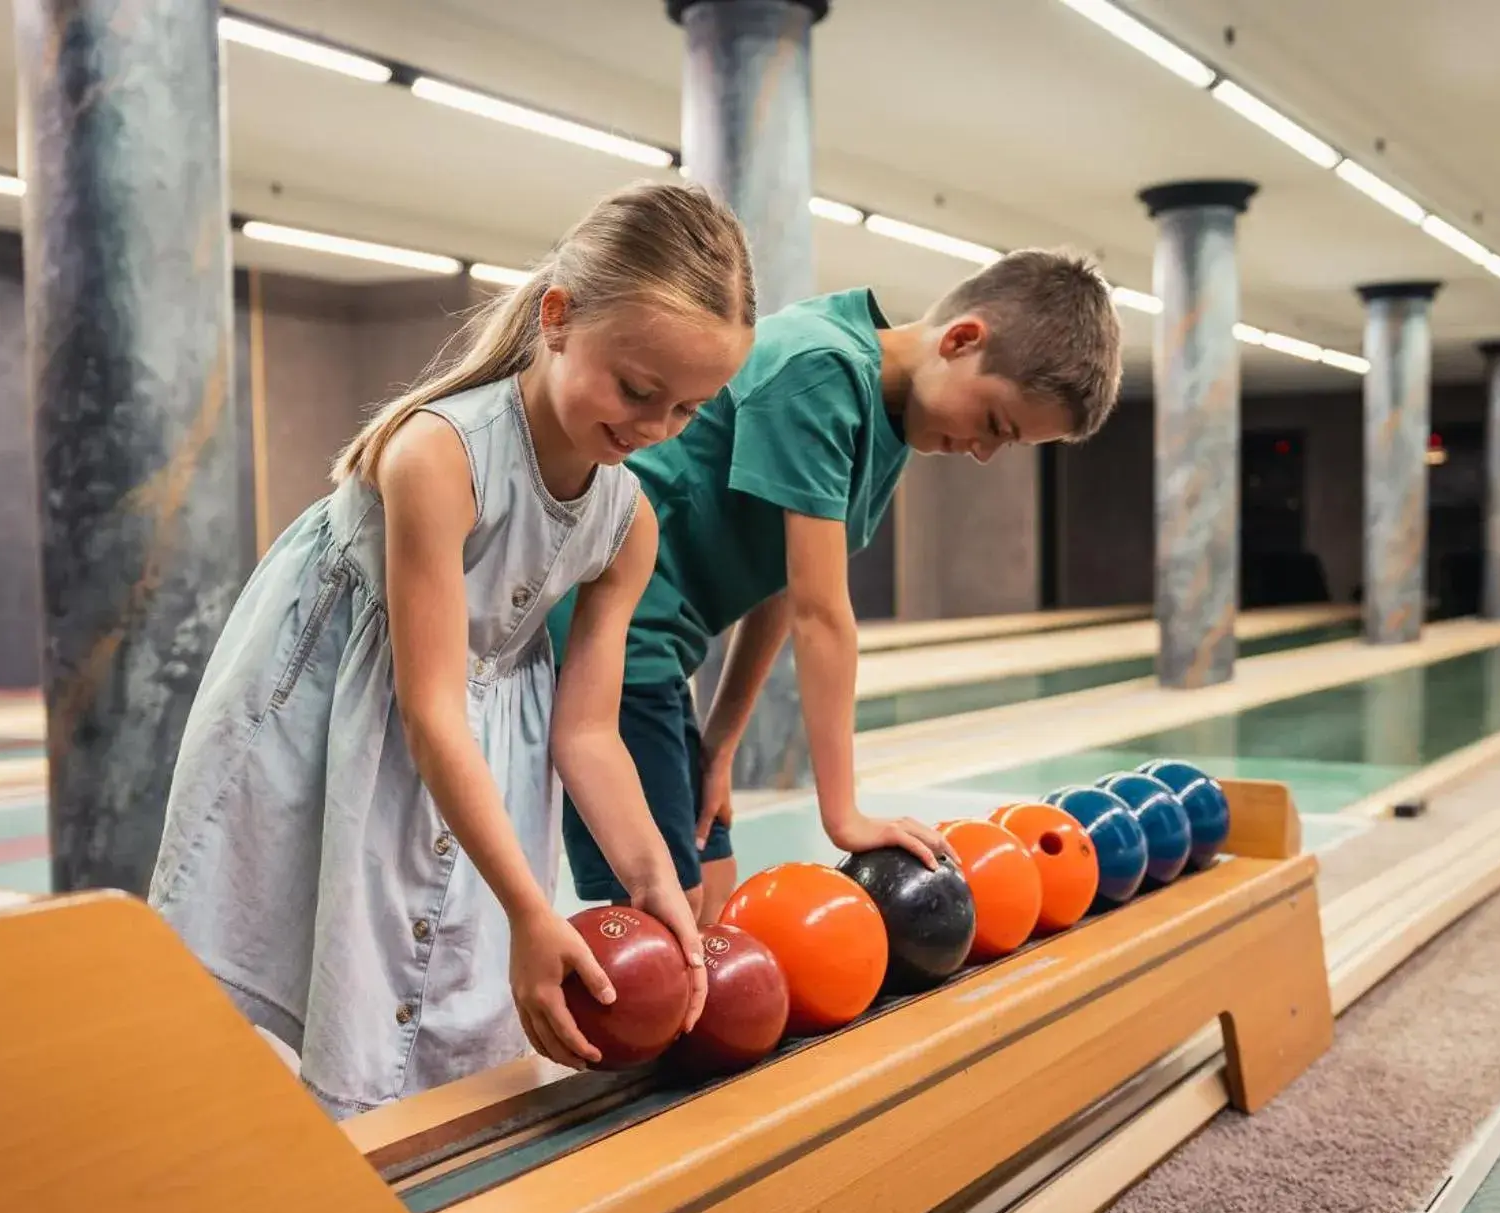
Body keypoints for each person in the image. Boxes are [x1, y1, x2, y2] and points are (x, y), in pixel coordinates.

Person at [150, 182, 756, 1118]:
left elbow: (588, 734)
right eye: (637, 389)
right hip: (339, 713)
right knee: (317, 982)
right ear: (557, 319)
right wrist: (528, 909)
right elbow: (429, 707)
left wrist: (655, 878)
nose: (652, 428)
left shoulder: (626, 519)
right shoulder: (436, 456)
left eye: (687, 410)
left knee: (445, 998)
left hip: (479, 729)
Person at [553, 249, 1124, 923]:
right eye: (996, 423)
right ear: (962, 339)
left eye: (1010, 444)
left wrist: (721, 745)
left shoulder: (886, 421)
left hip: (660, 648)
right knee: (669, 908)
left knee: (712, 880)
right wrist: (843, 814)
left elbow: (782, 590)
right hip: (611, 629)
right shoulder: (822, 369)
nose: (983, 451)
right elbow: (824, 614)